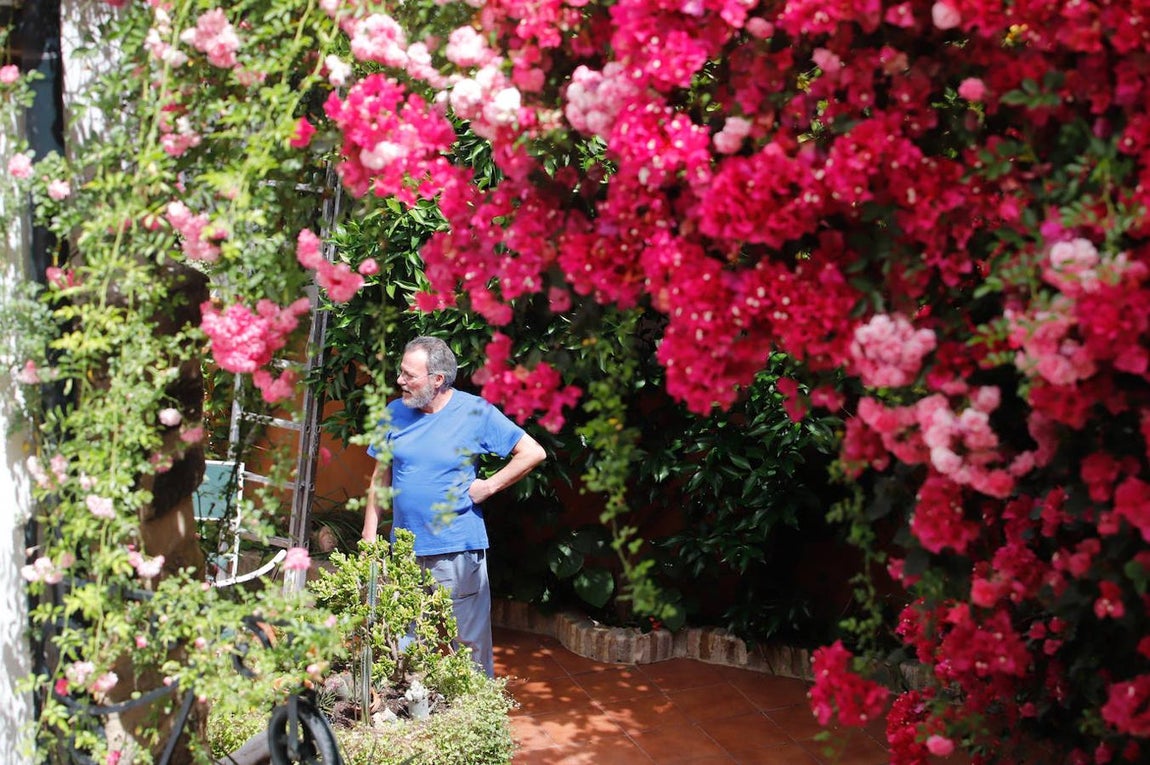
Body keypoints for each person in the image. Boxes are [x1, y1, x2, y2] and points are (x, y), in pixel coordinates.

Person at [361, 336, 547, 677]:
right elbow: (379, 477)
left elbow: (533, 452)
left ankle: (478, 721)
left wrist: (488, 486)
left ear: (437, 380)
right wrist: (370, 535)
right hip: (404, 549)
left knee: (470, 646)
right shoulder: (394, 413)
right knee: (405, 642)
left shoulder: (474, 413)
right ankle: (411, 719)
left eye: (408, 375)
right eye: (400, 372)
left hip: (457, 550)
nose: (400, 381)